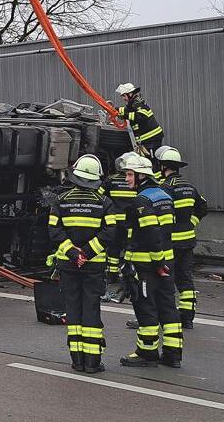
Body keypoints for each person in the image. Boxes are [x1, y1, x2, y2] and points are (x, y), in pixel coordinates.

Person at [49, 154, 118, 373]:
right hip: (93, 265)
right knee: (91, 309)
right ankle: (92, 362)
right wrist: (87, 253)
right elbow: (111, 231)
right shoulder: (104, 202)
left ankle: (77, 360)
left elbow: (53, 231)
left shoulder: (60, 200)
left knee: (73, 309)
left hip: (68, 265)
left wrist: (72, 252)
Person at [119, 154, 184, 369]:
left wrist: (157, 262)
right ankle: (173, 354)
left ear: (140, 175)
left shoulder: (141, 200)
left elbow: (150, 233)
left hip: (148, 265)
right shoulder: (164, 195)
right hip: (168, 260)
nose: (127, 179)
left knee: (146, 306)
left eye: (129, 174)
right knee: (168, 306)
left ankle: (147, 353)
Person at [157, 146, 207, 328]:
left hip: (171, 243)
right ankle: (187, 317)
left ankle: (165, 317)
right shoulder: (189, 186)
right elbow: (203, 207)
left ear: (164, 167)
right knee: (186, 280)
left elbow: (162, 213)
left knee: (165, 280)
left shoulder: (165, 188)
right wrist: (190, 223)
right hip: (188, 242)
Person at [100, 152, 138, 297]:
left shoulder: (111, 180)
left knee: (113, 248)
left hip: (115, 221)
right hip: (131, 222)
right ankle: (129, 274)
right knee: (130, 247)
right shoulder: (134, 180)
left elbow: (99, 195)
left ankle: (112, 274)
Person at [115, 83, 164, 158]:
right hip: (148, 139)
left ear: (130, 94)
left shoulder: (138, 103)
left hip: (151, 138)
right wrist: (116, 110)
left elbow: (141, 116)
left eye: (124, 96)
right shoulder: (133, 102)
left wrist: (125, 116)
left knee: (152, 161)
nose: (123, 98)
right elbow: (128, 110)